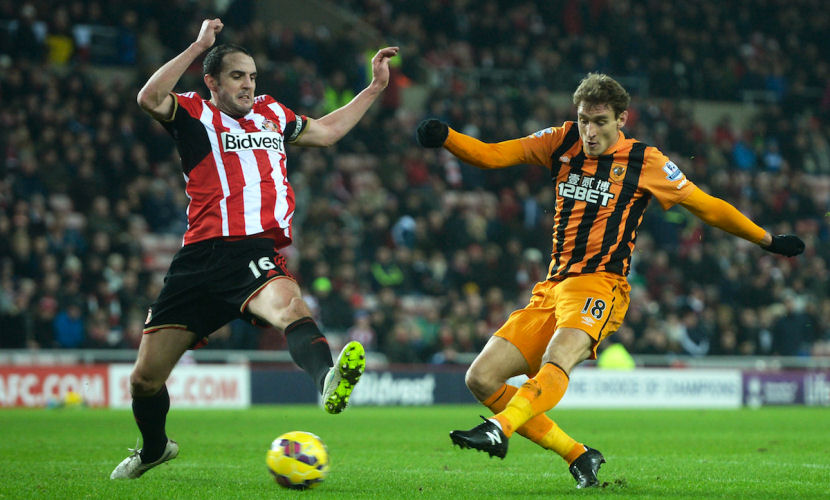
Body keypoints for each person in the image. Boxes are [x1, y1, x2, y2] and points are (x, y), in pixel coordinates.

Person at [415, 73, 805, 488]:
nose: (590, 131)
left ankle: (500, 428)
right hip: (552, 287)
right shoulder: (561, 141)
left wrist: (766, 240)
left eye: (600, 121)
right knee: (480, 378)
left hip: (601, 283)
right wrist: (448, 138)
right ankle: (579, 455)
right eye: (584, 120)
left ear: (622, 118)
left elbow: (707, 206)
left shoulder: (646, 161)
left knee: (557, 359)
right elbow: (493, 155)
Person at [111, 18, 398, 479]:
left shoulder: (273, 114)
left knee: (289, 305)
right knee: (144, 380)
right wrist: (198, 45)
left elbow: (326, 132)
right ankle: (154, 448)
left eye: (252, 76)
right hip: (199, 259)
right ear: (212, 82)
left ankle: (326, 380)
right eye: (237, 76)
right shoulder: (192, 113)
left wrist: (374, 88)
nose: (248, 85)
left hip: (253, 250)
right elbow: (148, 98)